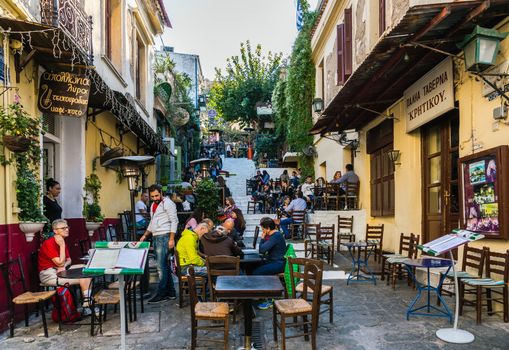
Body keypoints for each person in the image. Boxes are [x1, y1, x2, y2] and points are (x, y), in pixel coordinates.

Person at [39, 219, 93, 313]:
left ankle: (86, 302)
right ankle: (87, 306)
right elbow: (59, 262)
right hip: (49, 274)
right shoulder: (50, 243)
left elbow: (69, 260)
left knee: (87, 269)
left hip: (60, 270)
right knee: (85, 277)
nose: (67, 230)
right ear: (55, 231)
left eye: (67, 227)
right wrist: (62, 247)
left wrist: (63, 265)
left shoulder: (61, 241)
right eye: (63, 228)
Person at [140, 184, 178, 303]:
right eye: (152, 196)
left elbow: (174, 221)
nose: (155, 198)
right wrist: (145, 235)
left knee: (160, 267)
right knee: (164, 266)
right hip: (156, 237)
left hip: (164, 236)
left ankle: (161, 294)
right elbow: (152, 222)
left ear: (161, 192)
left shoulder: (168, 203)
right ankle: (171, 293)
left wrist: (171, 239)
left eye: (157, 195)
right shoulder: (153, 205)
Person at [253, 217, 286, 309]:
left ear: (268, 228)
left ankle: (270, 298)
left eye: (263, 229)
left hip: (278, 264)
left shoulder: (276, 236)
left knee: (257, 273)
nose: (262, 231)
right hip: (272, 260)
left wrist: (262, 239)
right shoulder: (275, 235)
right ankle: (260, 293)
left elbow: (262, 250)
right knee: (251, 267)